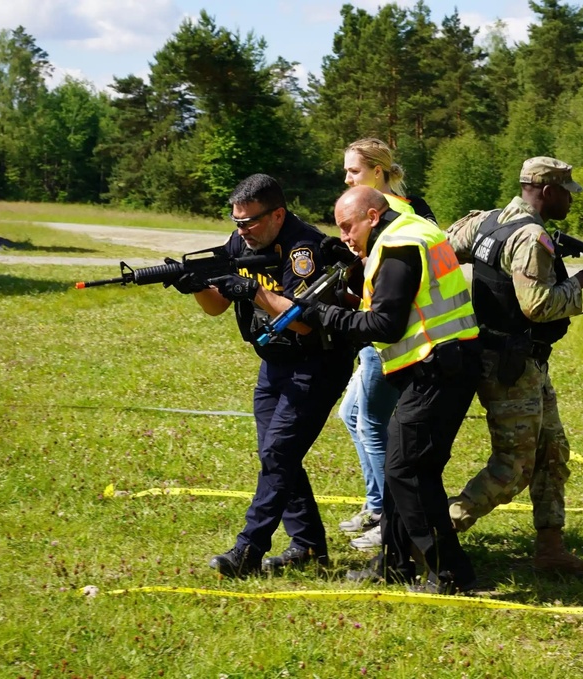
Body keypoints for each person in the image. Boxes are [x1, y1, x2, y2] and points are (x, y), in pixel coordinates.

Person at [170, 173, 355, 578]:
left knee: (279, 453)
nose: (241, 231)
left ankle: (248, 549)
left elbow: (303, 323)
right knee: (277, 454)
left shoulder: (302, 249)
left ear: (277, 215)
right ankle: (307, 547)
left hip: (317, 362)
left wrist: (251, 291)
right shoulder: (242, 242)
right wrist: (197, 286)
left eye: (250, 222)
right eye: (236, 222)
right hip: (274, 361)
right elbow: (215, 306)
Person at [301, 185, 481, 594]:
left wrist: (324, 313)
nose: (345, 236)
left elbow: (384, 325)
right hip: (439, 364)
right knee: (406, 470)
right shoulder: (409, 230)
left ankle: (450, 573)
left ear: (373, 216)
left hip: (439, 367)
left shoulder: (398, 247)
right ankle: (395, 565)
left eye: (348, 226)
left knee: (408, 471)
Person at [445, 157, 583, 577]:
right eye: (566, 193)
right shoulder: (531, 237)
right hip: (509, 365)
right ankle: (428, 534)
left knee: (552, 452)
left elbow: (441, 250)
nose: (571, 201)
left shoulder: (486, 221)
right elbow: (537, 305)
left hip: (518, 359)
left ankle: (551, 548)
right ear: (547, 191)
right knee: (513, 468)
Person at [336, 138, 437, 552]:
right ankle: (377, 503)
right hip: (371, 329)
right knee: (351, 414)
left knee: (371, 422)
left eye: (354, 171)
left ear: (378, 172)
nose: (346, 178)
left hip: (394, 336)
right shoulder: (369, 208)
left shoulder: (400, 215)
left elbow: (391, 287)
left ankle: (387, 517)